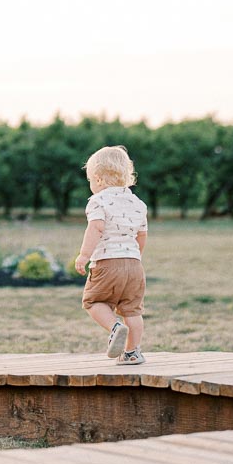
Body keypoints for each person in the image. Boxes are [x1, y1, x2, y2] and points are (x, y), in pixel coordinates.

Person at [74, 145, 148, 365]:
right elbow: (142, 236)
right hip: (134, 265)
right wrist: (135, 257)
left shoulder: (98, 201)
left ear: (97, 179)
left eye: (89, 181)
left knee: (93, 300)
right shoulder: (138, 203)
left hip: (107, 264)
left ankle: (115, 327)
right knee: (132, 310)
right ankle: (132, 353)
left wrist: (84, 255)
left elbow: (96, 228)